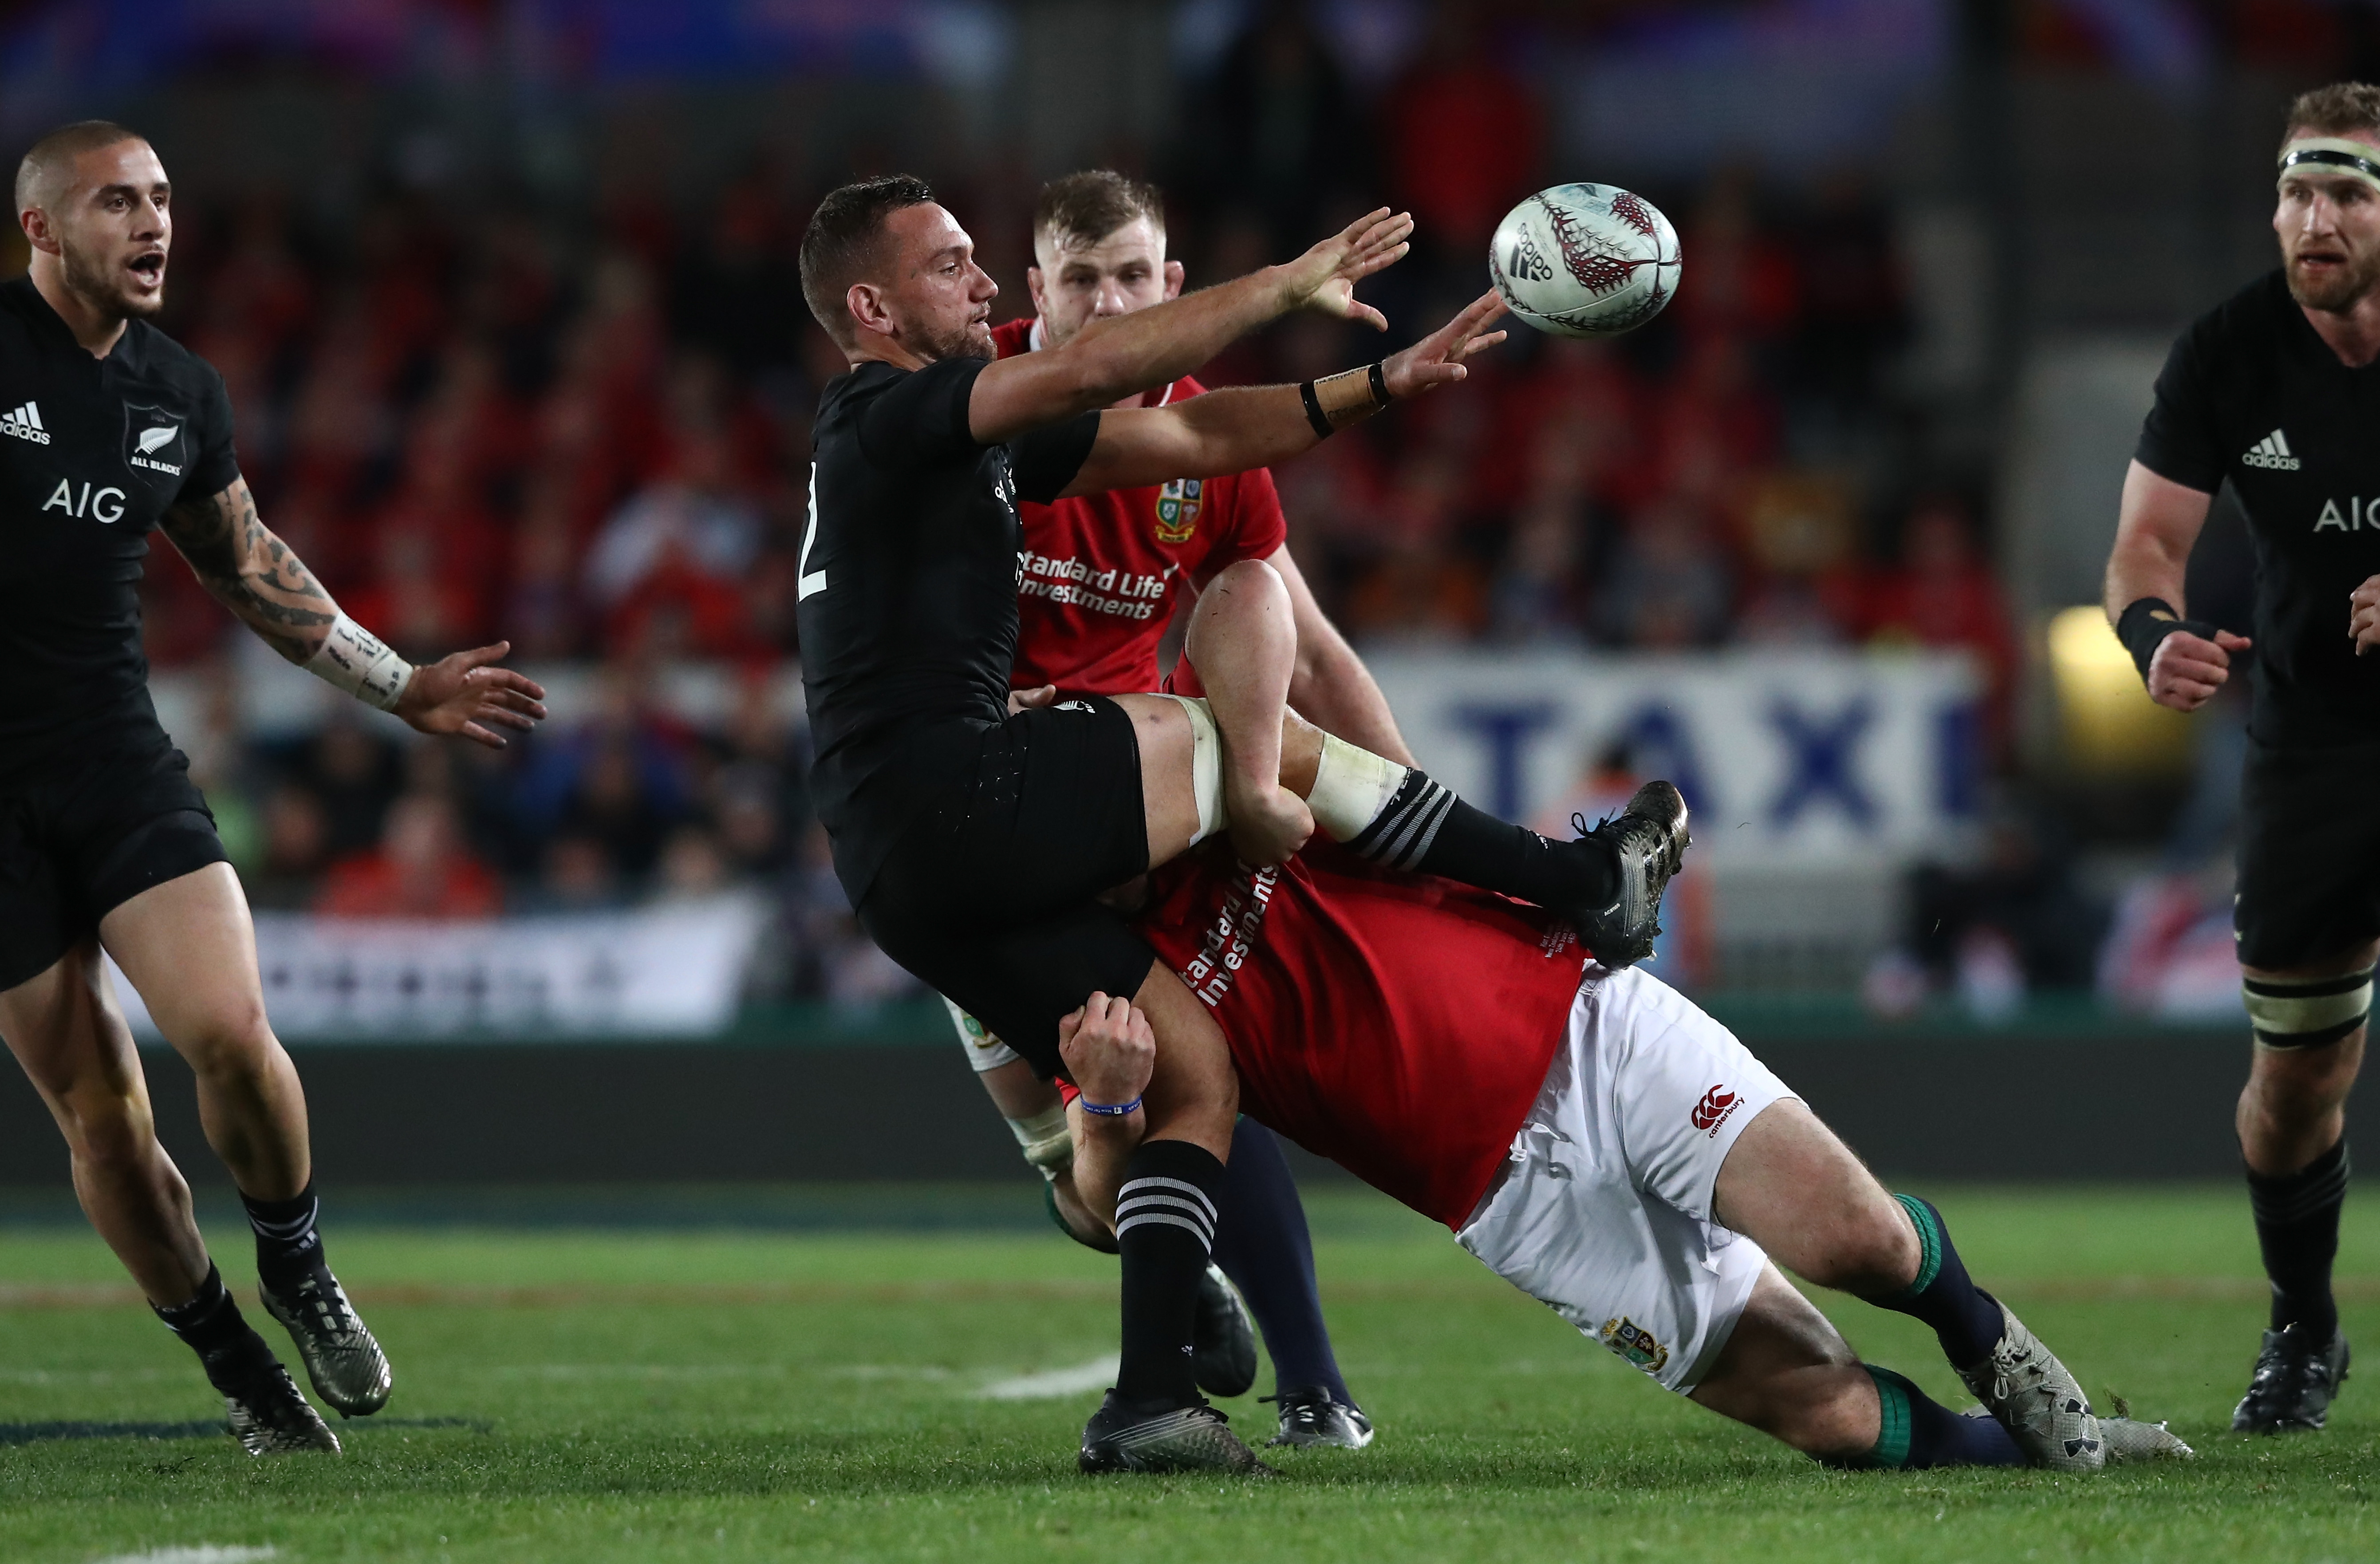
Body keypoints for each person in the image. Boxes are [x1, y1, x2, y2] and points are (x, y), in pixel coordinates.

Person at [795, 173, 1682, 1471]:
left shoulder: (961, 427)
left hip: (912, 871)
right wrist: (1278, 287)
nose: (980, 287)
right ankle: (1570, 878)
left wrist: (1386, 382)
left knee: (1190, 1069)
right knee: (1237, 750)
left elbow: (1198, 446)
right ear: (869, 307)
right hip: (968, 797)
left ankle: (1152, 1402)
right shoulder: (891, 409)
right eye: (950, 267)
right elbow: (1097, 371)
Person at [1055, 818, 2195, 1475]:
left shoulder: (1237, 784)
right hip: (1509, 1198)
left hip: (1585, 1027)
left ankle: (1991, 1344)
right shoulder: (1076, 969)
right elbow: (1103, 1200)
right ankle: (2033, 1452)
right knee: (1826, 1414)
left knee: (1856, 1238)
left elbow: (1316, 685)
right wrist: (1106, 1107)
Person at [4, 122, 547, 1455]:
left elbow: (247, 567)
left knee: (233, 1032)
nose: (153, 225)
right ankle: (240, 1370)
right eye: (117, 202)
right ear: (40, 231)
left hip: (111, 758)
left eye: (165, 199)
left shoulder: (178, 391)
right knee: (104, 1117)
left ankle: (297, 1265)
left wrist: (400, 681)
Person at [950, 169, 1407, 1449]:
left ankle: (1314, 1385)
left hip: (1134, 801)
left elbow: (1300, 644)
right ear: (1034, 293)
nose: (1107, 301)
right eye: (1079, 279)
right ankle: (1172, 1257)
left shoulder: (1212, 447)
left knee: (1202, 1068)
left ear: (1170, 286)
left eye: (1132, 276)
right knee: (1076, 1170)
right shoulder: (968, 406)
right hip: (976, 821)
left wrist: (1409, 809)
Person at [2104, 81, 2380, 1434]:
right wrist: (2151, 638)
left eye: (2344, 193)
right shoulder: (2226, 351)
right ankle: (2304, 1322)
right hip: (2314, 747)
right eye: (2291, 189)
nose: (2310, 219)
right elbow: (2141, 555)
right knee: (2291, 1086)